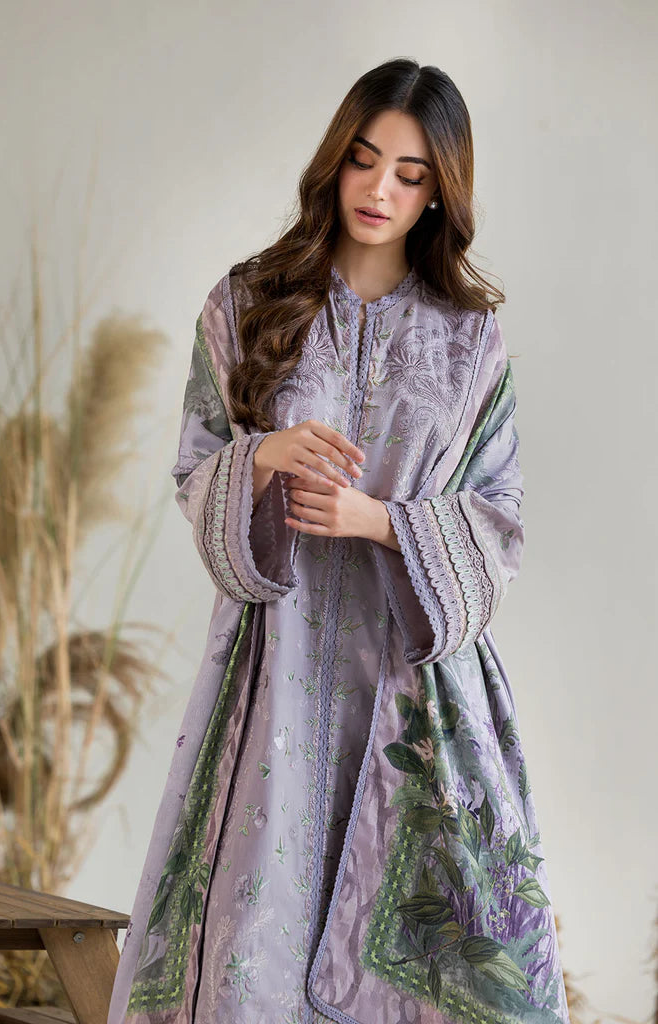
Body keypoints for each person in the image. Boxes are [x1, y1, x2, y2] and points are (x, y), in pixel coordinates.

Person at [108, 57, 570, 1024]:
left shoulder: (469, 340)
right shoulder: (245, 304)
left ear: (439, 192)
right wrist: (263, 457)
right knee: (253, 941)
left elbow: (500, 518)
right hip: (272, 670)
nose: (379, 190)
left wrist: (380, 520)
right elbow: (196, 472)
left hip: (412, 684)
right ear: (335, 159)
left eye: (410, 173)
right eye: (363, 159)